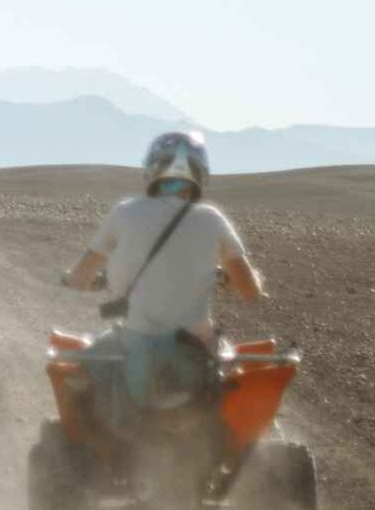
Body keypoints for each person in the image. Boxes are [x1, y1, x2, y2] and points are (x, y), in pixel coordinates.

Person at [62, 131, 263, 430]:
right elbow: (250, 291)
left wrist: (74, 279)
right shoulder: (212, 219)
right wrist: (238, 280)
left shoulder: (125, 212)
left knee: (83, 365)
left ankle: (93, 444)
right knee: (234, 369)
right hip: (195, 353)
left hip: (136, 348)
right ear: (200, 173)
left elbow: (81, 277)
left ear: (151, 170)